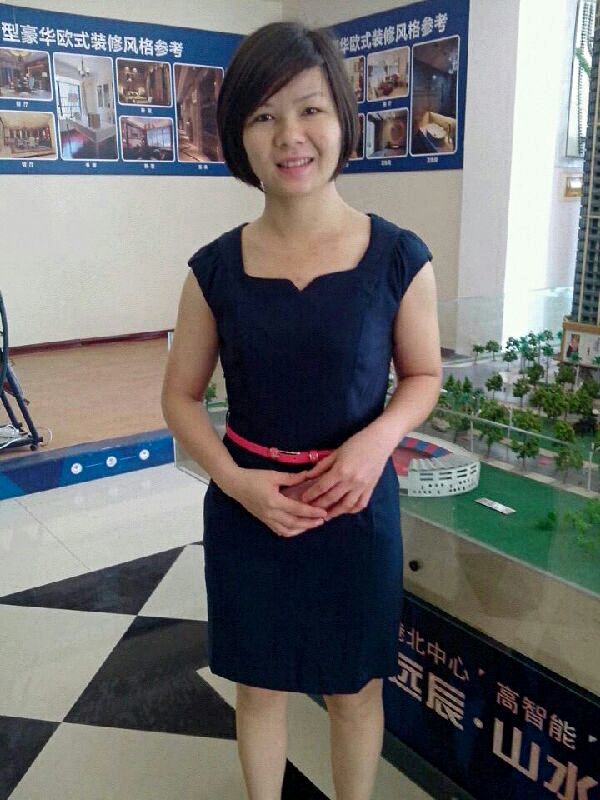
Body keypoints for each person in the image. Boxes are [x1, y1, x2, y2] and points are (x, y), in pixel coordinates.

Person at [161, 21, 442, 800]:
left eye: (310, 109)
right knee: (259, 689)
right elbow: (179, 397)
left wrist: (378, 439)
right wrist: (235, 483)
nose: (290, 135)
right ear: (239, 138)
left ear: (342, 119)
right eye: (264, 116)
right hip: (250, 511)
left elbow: (423, 377)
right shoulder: (214, 270)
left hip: (355, 509)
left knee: (355, 692)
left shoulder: (399, 257)